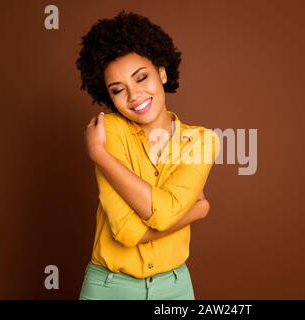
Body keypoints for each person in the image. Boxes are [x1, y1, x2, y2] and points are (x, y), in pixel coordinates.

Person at [75, 10, 220, 300]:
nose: (134, 95)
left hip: (175, 287)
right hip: (109, 288)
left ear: (162, 72)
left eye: (141, 78)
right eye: (118, 90)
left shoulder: (201, 141)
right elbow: (127, 232)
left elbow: (162, 216)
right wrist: (197, 210)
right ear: (109, 96)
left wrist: (99, 154)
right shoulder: (110, 133)